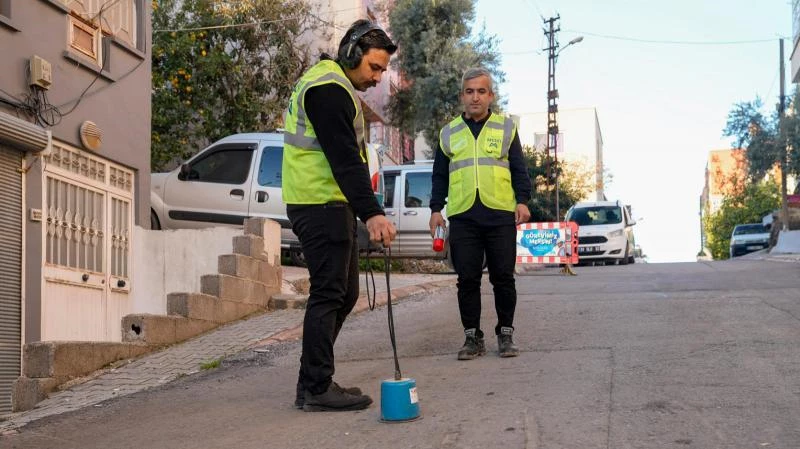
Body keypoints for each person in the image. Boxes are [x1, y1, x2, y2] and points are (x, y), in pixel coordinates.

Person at [282, 20, 397, 412]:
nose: (378, 78)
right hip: (319, 203)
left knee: (344, 294)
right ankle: (316, 387)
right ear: (351, 53)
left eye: (382, 71)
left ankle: (313, 380)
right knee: (329, 293)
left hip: (328, 203)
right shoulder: (329, 90)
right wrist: (373, 214)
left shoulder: (335, 86)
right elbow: (345, 160)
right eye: (374, 68)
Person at [429, 67, 532, 360]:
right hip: (463, 215)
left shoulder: (506, 128)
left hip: (500, 214)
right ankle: (472, 337)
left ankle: (506, 333)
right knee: (467, 279)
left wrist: (522, 201)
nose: (475, 97)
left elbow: (518, 169)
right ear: (463, 95)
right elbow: (439, 176)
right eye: (470, 91)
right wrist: (436, 209)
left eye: (481, 91)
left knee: (503, 277)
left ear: (491, 96)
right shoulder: (448, 132)